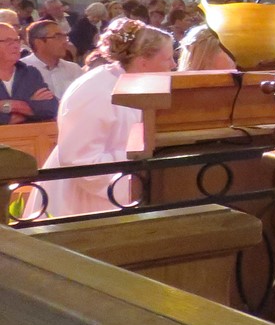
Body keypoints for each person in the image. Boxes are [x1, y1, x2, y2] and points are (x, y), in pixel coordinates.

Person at [40, 19, 175, 217]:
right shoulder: (96, 90)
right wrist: (141, 161)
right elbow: (80, 160)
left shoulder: (136, 84)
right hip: (84, 200)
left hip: (123, 190)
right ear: (143, 61)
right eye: (168, 59)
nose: (173, 65)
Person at [0, 23, 58, 123]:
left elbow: (51, 108)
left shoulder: (30, 73)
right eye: (8, 41)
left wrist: (12, 105)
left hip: (32, 132)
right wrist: (29, 109)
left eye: (17, 40)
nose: (15, 46)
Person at [22, 18, 84, 99]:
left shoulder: (74, 69)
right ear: (39, 42)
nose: (65, 42)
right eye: (58, 37)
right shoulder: (21, 70)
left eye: (65, 37)